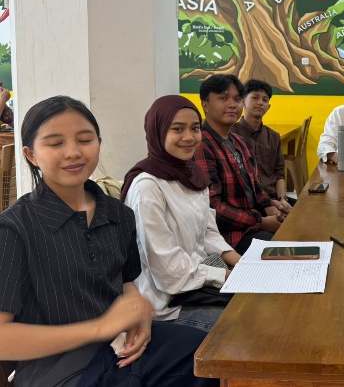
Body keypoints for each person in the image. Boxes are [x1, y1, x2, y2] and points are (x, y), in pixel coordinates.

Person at [0, 95, 216, 387]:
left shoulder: (118, 214)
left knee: (208, 356)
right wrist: (99, 328)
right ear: (31, 155)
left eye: (85, 140)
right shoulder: (15, 229)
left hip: (119, 350)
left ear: (99, 143)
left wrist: (138, 310)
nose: (73, 152)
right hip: (61, 372)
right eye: (55, 143)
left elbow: (126, 283)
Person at [121, 95, 241, 332]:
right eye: (177, 129)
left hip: (196, 284)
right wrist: (227, 276)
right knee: (242, 325)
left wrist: (242, 263)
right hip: (166, 303)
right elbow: (168, 270)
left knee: (261, 304)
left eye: (195, 128)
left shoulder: (192, 174)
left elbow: (208, 232)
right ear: (158, 131)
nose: (189, 137)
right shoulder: (148, 187)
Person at [195, 74, 287, 254]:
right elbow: (213, 209)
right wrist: (261, 221)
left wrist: (271, 208)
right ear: (205, 105)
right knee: (286, 248)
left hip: (252, 220)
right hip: (229, 236)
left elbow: (256, 185)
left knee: (302, 227)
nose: (232, 104)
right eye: (223, 98)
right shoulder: (202, 146)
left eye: (237, 99)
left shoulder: (239, 141)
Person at [233, 79, 294, 209]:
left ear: (268, 107)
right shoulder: (231, 134)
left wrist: (282, 199)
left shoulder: (274, 136)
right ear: (243, 102)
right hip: (247, 202)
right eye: (255, 98)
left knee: (308, 211)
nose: (260, 102)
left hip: (273, 197)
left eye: (265, 100)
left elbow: (279, 173)